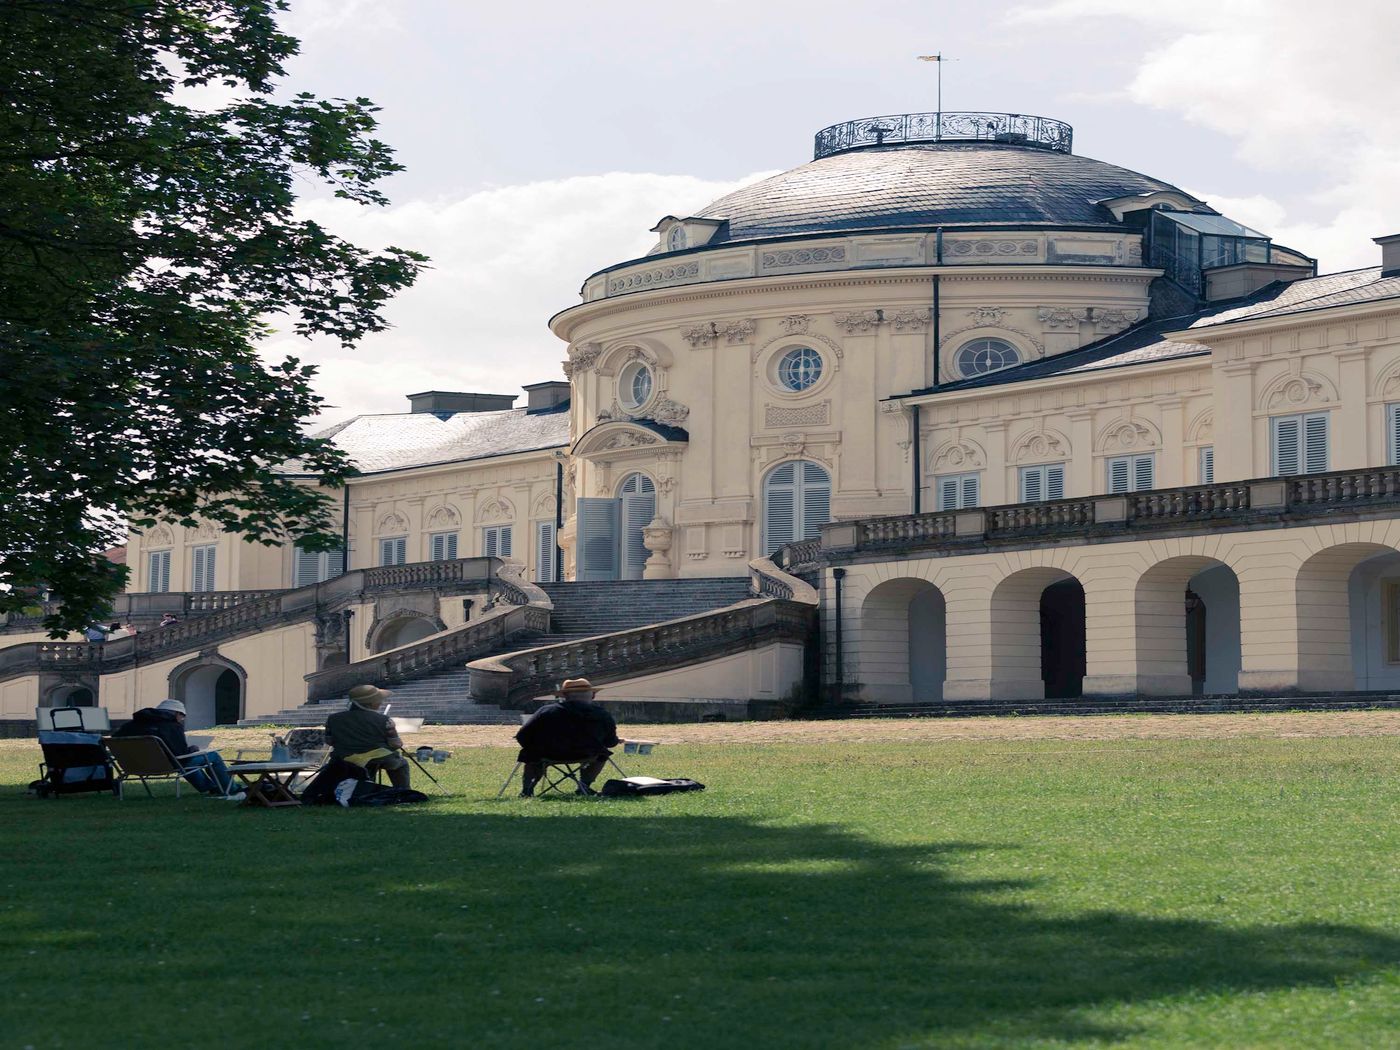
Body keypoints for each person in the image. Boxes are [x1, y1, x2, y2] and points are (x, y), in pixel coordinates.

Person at [111, 698, 239, 798]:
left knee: (187, 762)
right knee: (212, 756)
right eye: (182, 716)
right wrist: (193, 749)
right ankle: (231, 789)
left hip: (133, 766)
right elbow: (180, 755)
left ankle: (211, 788)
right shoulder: (171, 726)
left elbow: (114, 741)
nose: (182, 719)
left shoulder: (128, 726)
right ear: (176, 713)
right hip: (165, 765)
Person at [515, 678, 621, 797]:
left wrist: (534, 746)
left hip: (547, 754)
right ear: (593, 696)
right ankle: (584, 786)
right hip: (587, 754)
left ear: (565, 696)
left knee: (531, 754)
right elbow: (610, 742)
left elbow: (522, 736)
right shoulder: (602, 714)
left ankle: (527, 790)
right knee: (601, 754)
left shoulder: (546, 711)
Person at [324, 684, 411, 788]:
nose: (381, 702)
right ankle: (403, 790)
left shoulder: (333, 718)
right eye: (378, 700)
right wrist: (391, 732)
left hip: (343, 758)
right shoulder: (383, 719)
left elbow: (329, 741)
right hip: (379, 758)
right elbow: (396, 744)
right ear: (370, 703)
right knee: (401, 764)